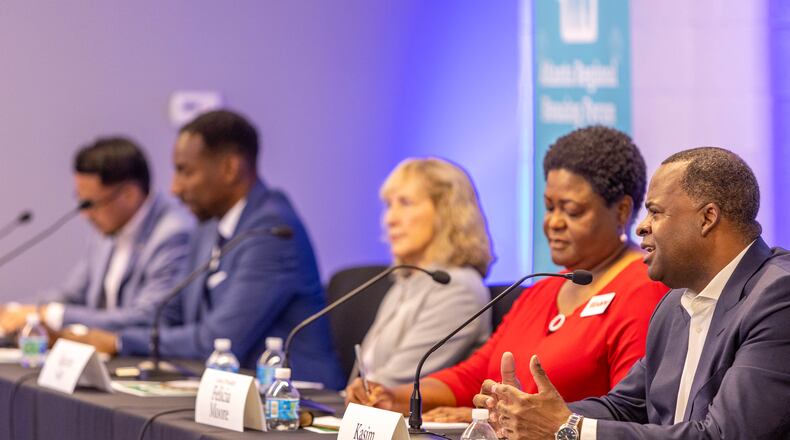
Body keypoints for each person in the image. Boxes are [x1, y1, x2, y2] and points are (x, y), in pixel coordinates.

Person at [346, 126, 668, 421]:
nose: (553, 222)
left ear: (623, 211)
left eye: (571, 210)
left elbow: (628, 410)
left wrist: (479, 417)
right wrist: (396, 397)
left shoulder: (642, 289)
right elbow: (473, 375)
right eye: (549, 207)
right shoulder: (541, 290)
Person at [479, 147, 790, 439]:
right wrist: (529, 414)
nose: (642, 227)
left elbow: (724, 434)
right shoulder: (675, 302)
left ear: (707, 218)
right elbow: (625, 406)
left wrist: (568, 429)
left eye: (655, 212)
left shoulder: (777, 296)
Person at [62, 110, 345, 389]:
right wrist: (95, 333)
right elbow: (169, 313)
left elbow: (219, 339)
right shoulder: (208, 225)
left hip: (297, 402)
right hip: (230, 391)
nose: (174, 188)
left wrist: (118, 341)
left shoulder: (272, 231)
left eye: (185, 171)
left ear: (229, 169)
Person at [0, 137, 193, 334]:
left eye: (90, 204)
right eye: (80, 202)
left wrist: (50, 315)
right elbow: (72, 295)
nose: (85, 215)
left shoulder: (172, 234)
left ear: (129, 194)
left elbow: (148, 317)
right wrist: (14, 311)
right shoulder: (108, 229)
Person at [356, 158, 494, 387]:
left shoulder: (458, 288)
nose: (390, 219)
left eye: (406, 203)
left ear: (446, 211)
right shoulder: (407, 282)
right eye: (389, 205)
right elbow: (366, 374)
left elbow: (392, 385)